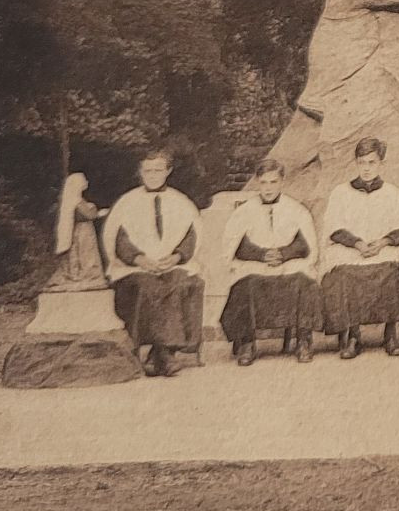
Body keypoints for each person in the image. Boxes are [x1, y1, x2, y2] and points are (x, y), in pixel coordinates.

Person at [102, 150, 205, 377]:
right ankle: (159, 354)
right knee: (148, 286)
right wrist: (140, 260)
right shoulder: (127, 203)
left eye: (158, 170)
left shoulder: (181, 202)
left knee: (179, 283)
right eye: (147, 170)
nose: (153, 175)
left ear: (168, 171)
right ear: (140, 173)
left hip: (174, 264)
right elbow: (119, 239)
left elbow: (191, 235)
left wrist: (176, 257)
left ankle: (161, 354)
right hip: (135, 267)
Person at [221, 158, 322, 366]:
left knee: (304, 282)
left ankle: (303, 340)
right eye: (264, 182)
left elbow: (306, 244)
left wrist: (283, 254)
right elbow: (233, 245)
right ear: (257, 182)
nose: (268, 188)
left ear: (282, 181)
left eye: (273, 182)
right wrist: (262, 255)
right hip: (255, 265)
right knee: (245, 285)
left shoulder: (297, 209)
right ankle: (247, 343)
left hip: (288, 263)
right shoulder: (243, 211)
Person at [319, 137, 399, 359]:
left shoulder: (393, 193)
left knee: (389, 271)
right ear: (356, 164)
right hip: (351, 249)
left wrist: (382, 242)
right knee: (345, 274)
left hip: (382, 248)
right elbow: (334, 228)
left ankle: (390, 334)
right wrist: (358, 243)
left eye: (372, 162)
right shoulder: (341, 193)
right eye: (362, 163)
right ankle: (353, 335)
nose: (367, 168)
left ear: (381, 164)